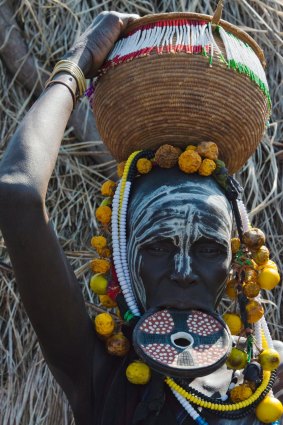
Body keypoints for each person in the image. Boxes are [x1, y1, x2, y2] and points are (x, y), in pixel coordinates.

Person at [0, 11, 282, 425]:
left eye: (207, 248)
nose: (184, 272)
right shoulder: (102, 375)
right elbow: (17, 194)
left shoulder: (267, 380)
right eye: (157, 247)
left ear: (239, 262)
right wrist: (79, 63)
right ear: (121, 259)